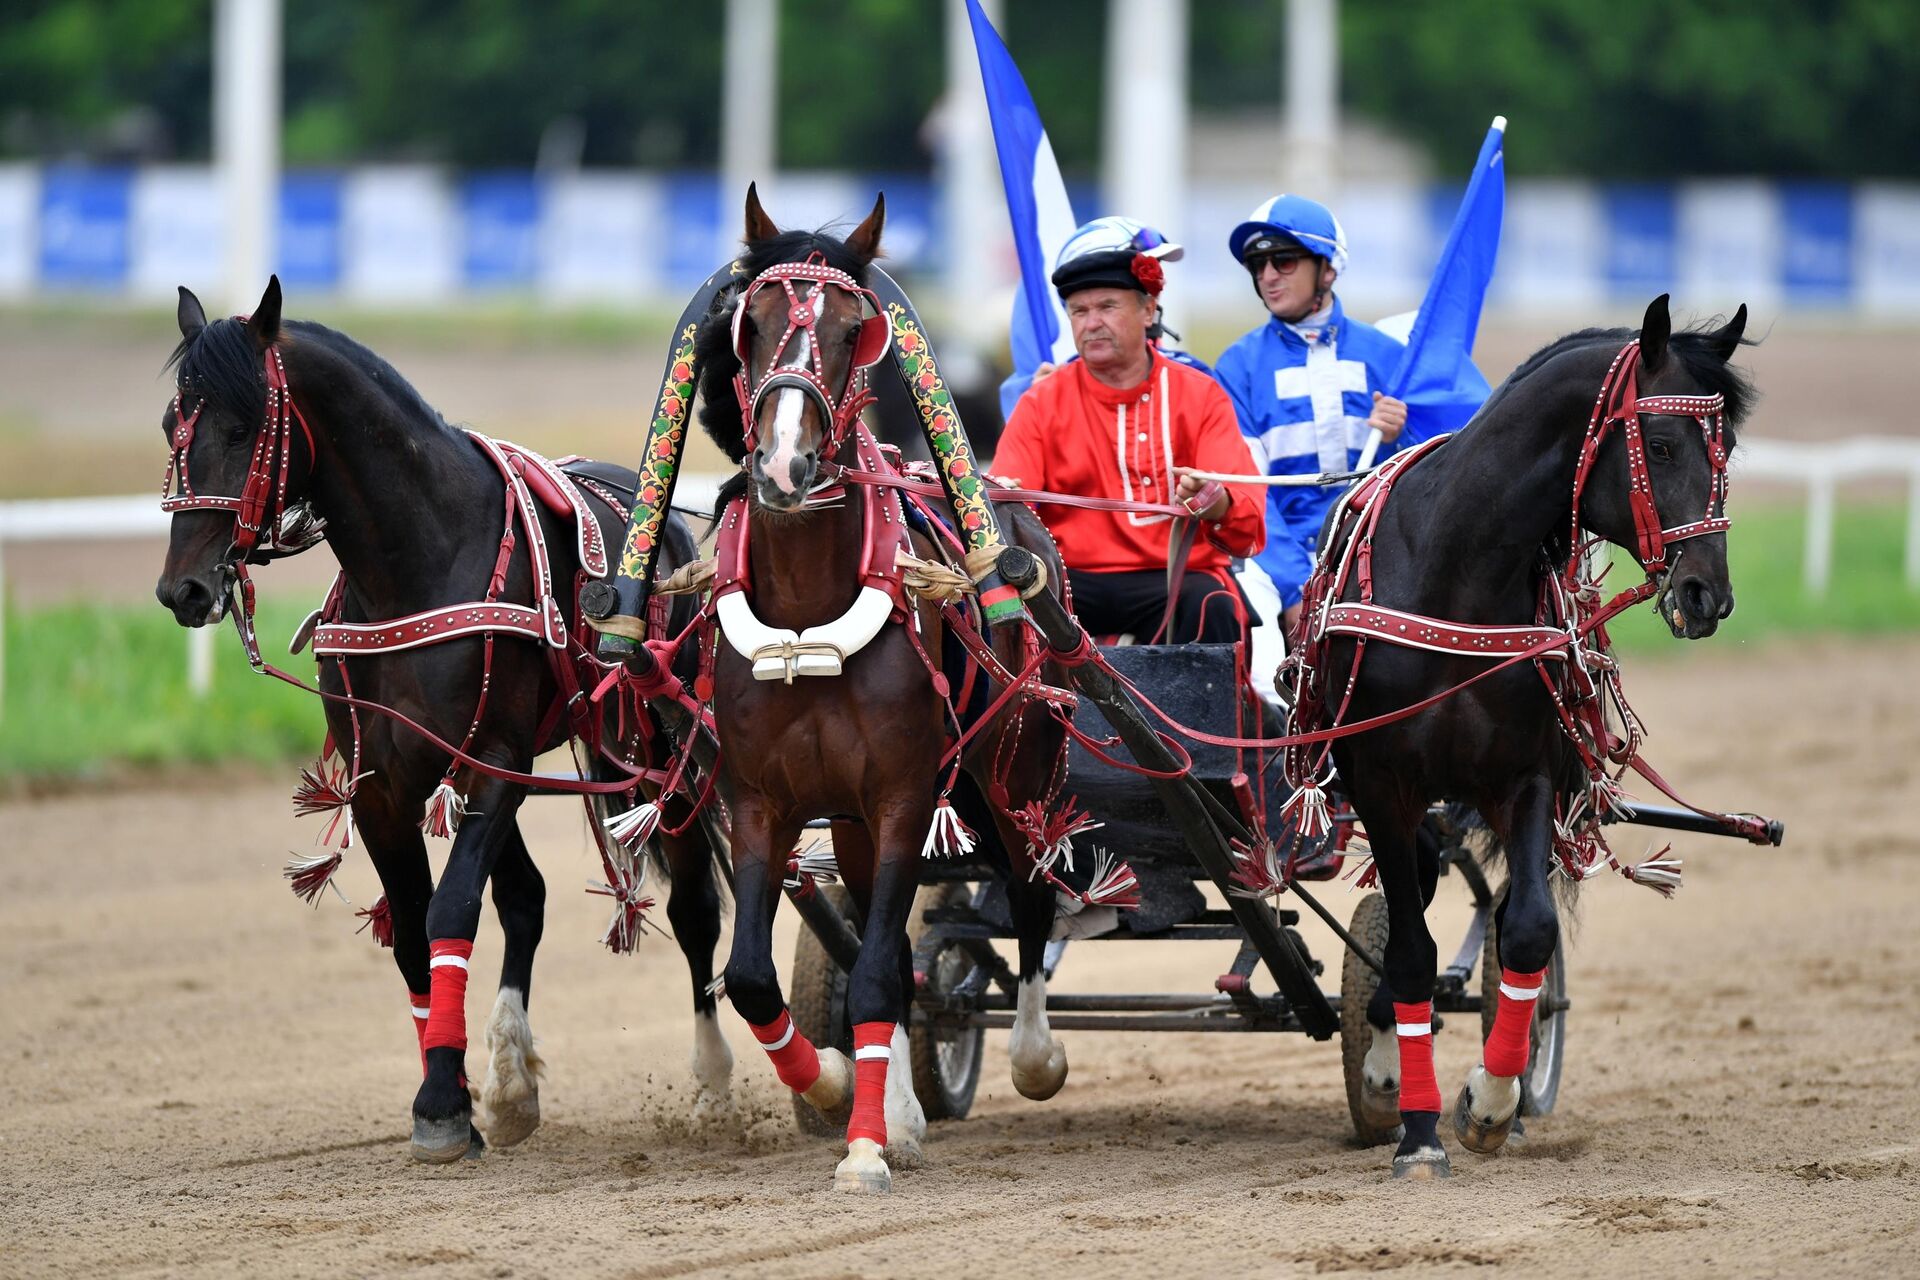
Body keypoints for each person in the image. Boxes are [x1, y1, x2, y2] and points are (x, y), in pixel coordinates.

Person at [992, 217, 1265, 644]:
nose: (1091, 323)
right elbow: (1009, 506)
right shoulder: (1041, 401)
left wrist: (1214, 500)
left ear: (1148, 310)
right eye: (1079, 311)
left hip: (1175, 577)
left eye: (1107, 307)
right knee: (1001, 603)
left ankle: (1210, 714)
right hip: (1069, 578)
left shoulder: (1200, 394)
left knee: (1213, 602)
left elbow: (1247, 520)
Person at [1214, 195, 1418, 634]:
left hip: (1374, 553)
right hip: (1270, 563)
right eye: (1257, 265)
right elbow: (1248, 489)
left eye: (1283, 261)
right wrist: (1293, 588)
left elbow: (1426, 477)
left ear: (1327, 268)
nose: (1267, 277)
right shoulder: (1238, 366)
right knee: (1259, 665)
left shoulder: (1387, 356)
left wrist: (1396, 439)